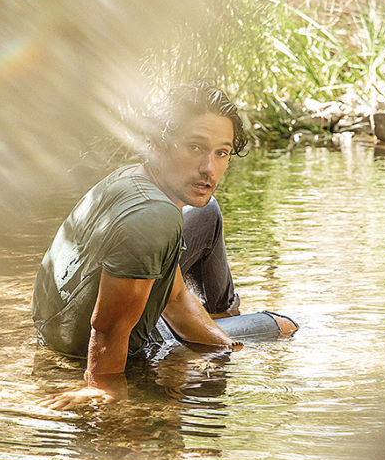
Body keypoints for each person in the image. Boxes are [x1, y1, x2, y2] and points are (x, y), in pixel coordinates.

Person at [32, 80, 253, 408]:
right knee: (283, 326)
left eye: (221, 152)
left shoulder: (133, 176)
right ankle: (230, 313)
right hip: (81, 345)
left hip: (55, 329)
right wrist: (102, 386)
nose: (209, 168)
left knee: (206, 212)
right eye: (195, 147)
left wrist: (226, 349)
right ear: (157, 144)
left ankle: (224, 314)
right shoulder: (154, 217)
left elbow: (175, 296)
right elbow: (108, 326)